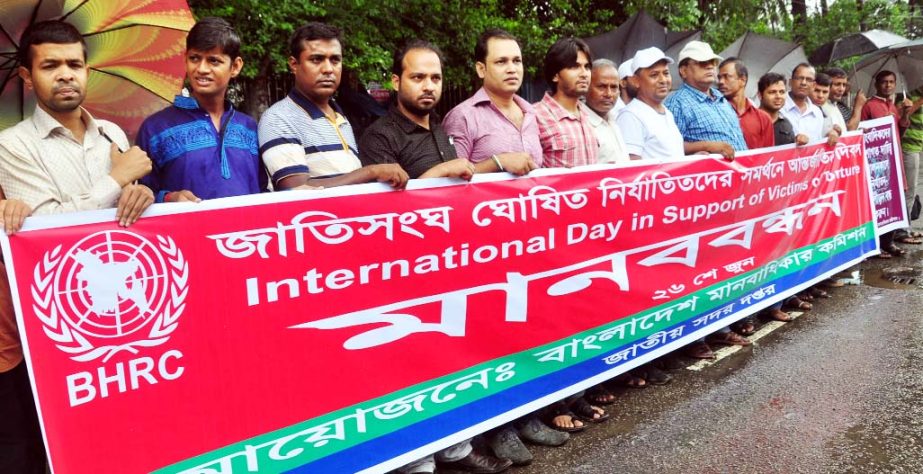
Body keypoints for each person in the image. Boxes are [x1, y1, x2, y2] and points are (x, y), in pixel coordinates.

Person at [0, 20, 157, 473]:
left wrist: (141, 195)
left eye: (75, 64)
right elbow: (43, 230)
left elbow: (128, 217)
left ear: (89, 71)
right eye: (50, 65)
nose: (65, 74)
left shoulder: (111, 135)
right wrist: (117, 179)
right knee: (65, 445)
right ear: (28, 77)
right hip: (61, 324)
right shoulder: (12, 145)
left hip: (127, 318)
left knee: (126, 435)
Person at [258, 22, 408, 191]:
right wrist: (372, 171)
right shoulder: (279, 118)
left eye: (335, 60)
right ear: (294, 64)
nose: (328, 69)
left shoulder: (340, 117)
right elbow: (298, 191)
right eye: (316, 59)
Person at [137, 17, 266, 203]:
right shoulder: (156, 128)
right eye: (194, 58)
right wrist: (169, 198)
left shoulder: (249, 127)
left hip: (247, 231)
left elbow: (261, 190)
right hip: (184, 231)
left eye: (214, 61)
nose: (202, 69)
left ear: (235, 66)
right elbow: (141, 196)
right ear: (185, 60)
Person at [442, 29, 539, 175]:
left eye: (517, 61)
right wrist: (498, 162)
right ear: (481, 69)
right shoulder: (463, 116)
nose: (512, 69)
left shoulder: (531, 113)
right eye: (501, 62)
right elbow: (449, 181)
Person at [862, 70, 917, 257]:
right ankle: (875, 244)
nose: (888, 85)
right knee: (877, 201)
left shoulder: (894, 106)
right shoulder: (869, 106)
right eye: (884, 82)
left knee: (893, 199)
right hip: (876, 162)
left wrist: (905, 115)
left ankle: (888, 242)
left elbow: (898, 135)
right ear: (877, 84)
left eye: (891, 82)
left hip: (893, 159)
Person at [664, 41, 747, 160]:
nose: (710, 66)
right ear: (683, 70)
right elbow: (669, 148)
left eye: (713, 62)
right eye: (702, 62)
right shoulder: (677, 104)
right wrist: (708, 146)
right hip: (713, 177)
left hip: (743, 173)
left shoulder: (720, 97)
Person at [533, 37, 598, 168]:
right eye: (575, 67)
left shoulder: (586, 114)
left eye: (587, 67)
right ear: (555, 75)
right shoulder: (535, 116)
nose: (584, 74)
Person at [615, 47, 683, 160]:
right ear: (635, 81)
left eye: (666, 73)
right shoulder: (630, 116)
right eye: (654, 75)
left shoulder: (667, 113)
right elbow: (633, 166)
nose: (663, 80)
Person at [717, 57, 773, 150]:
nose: (721, 82)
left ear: (742, 80)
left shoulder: (763, 118)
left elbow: (769, 156)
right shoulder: (715, 114)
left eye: (727, 76)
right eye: (719, 78)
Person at [781, 63, 839, 146]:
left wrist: (831, 135)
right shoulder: (778, 108)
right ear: (790, 82)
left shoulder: (817, 112)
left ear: (813, 85)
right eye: (799, 78)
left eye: (808, 80)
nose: (803, 83)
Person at [585, 59, 629, 163]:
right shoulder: (581, 124)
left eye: (614, 87)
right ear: (586, 87)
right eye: (601, 87)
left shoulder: (614, 119)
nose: (609, 94)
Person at [758, 72, 808, 148]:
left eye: (782, 92)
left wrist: (798, 141)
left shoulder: (786, 125)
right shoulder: (749, 121)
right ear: (760, 95)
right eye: (772, 92)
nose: (778, 96)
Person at [826, 67, 866, 132]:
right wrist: (858, 106)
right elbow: (850, 128)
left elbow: (845, 131)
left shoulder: (837, 105)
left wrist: (858, 131)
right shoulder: (821, 108)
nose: (841, 89)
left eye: (844, 85)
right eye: (837, 84)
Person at [810, 73, 845, 138]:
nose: (820, 96)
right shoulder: (801, 111)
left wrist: (833, 131)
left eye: (825, 92)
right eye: (817, 90)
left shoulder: (825, 112)